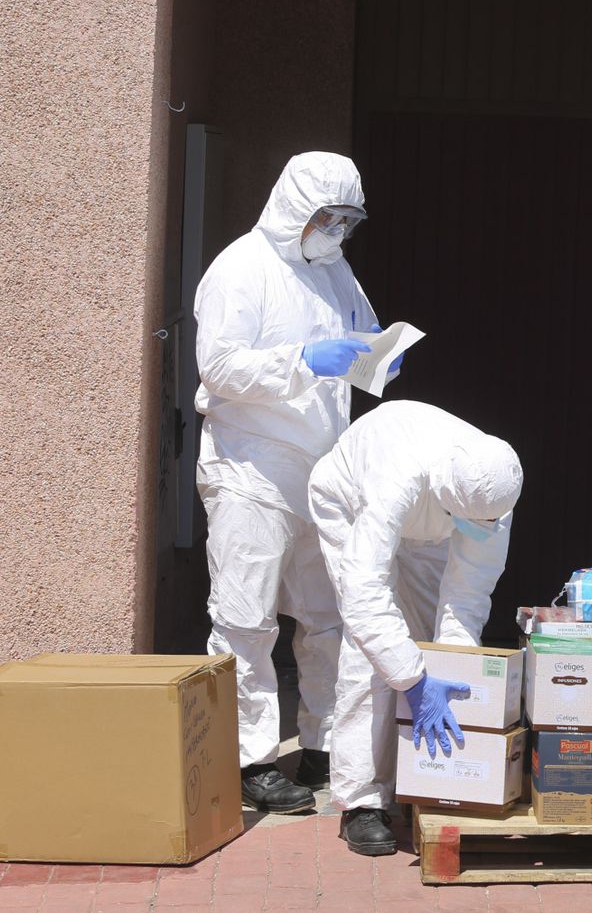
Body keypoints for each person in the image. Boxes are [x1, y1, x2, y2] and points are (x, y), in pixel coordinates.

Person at [195, 151, 388, 814]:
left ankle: (323, 744)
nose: (337, 231)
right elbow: (220, 367)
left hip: (320, 469)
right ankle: (249, 758)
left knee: (326, 617)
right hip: (252, 465)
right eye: (328, 217)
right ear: (295, 207)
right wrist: (303, 360)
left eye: (348, 220)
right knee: (245, 618)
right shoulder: (240, 268)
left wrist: (377, 357)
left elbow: (363, 334)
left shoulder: (335, 271)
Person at [308, 400, 523, 856]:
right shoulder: (396, 478)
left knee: (430, 643)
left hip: (434, 522)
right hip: (349, 503)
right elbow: (365, 595)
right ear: (447, 494)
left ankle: (425, 778)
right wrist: (412, 680)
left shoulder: (495, 488)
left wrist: (452, 667)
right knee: (372, 654)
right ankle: (361, 799)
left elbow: (467, 594)